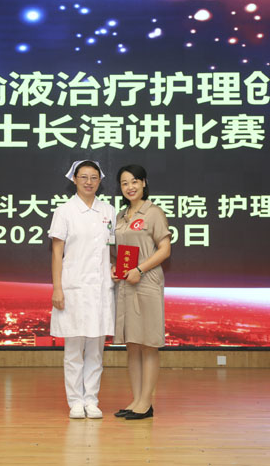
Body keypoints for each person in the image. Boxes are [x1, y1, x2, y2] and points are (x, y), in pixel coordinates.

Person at [49, 160, 116, 419]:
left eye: (94, 177)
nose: (89, 182)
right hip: (73, 288)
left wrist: (115, 267)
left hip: (100, 289)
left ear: (100, 181)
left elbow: (112, 248)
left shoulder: (108, 210)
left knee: (96, 351)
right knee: (74, 350)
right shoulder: (64, 211)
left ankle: (92, 400)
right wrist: (57, 288)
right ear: (74, 179)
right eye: (84, 177)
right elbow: (57, 253)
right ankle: (75, 401)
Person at [111, 164, 171, 420]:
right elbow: (117, 252)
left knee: (148, 345)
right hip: (126, 285)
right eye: (124, 183)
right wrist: (115, 268)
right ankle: (136, 400)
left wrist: (140, 269)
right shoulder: (120, 216)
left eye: (135, 181)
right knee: (132, 344)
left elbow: (165, 250)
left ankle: (146, 403)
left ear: (144, 183)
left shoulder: (153, 212)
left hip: (146, 282)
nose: (130, 187)